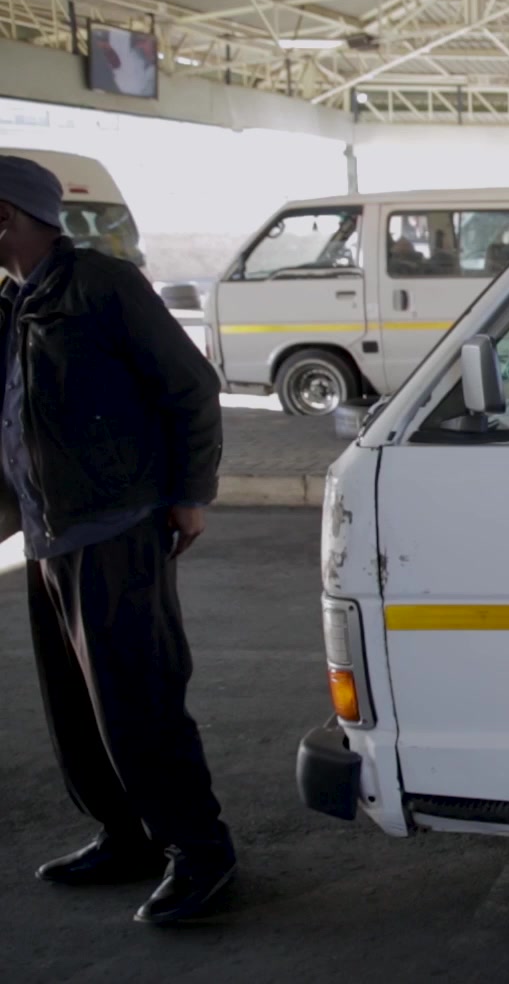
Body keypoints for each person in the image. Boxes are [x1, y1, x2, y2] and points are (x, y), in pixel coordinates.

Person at [0, 156, 233, 924]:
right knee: (76, 708)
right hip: (50, 533)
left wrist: (190, 494)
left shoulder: (101, 286)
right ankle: (124, 835)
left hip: (115, 525)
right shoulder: (14, 300)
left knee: (138, 698)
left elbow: (191, 387)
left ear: (7, 217)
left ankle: (199, 853)